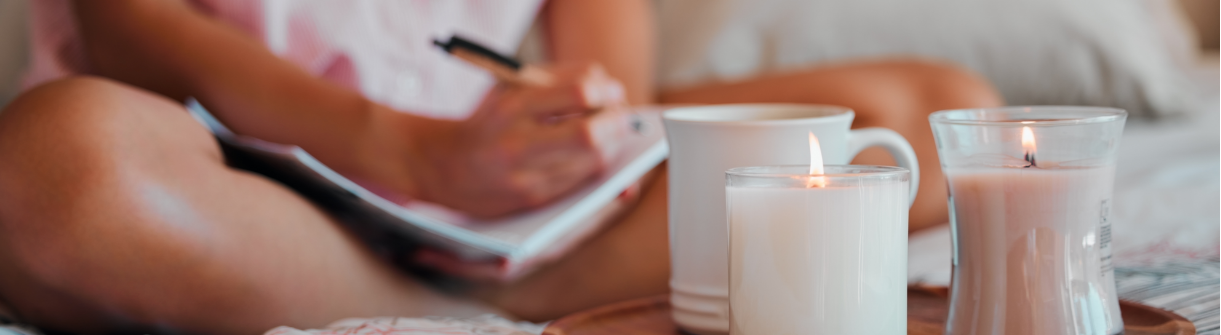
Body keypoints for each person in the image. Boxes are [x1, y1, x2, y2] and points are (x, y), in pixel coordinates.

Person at [0, 0, 1002, 334]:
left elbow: (601, 34)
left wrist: (588, 121)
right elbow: (127, 26)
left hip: (503, 173)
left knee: (933, 110)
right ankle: (414, 297)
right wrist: (405, 151)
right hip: (255, 175)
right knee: (62, 169)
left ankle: (510, 281)